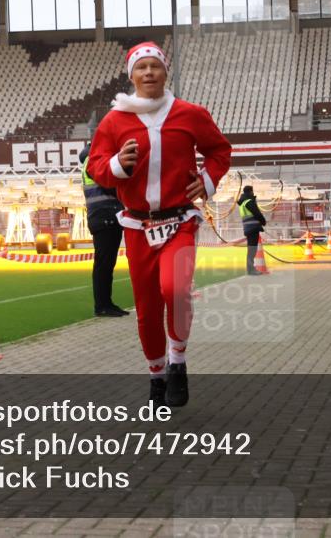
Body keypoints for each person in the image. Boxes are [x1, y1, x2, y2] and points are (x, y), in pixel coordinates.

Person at [87, 41, 232, 408]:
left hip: (179, 219)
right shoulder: (114, 120)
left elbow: (219, 150)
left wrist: (208, 179)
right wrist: (118, 164)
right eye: (141, 67)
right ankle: (156, 375)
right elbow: (96, 166)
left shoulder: (190, 113)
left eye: (155, 66)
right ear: (131, 75)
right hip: (138, 226)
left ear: (166, 72)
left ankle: (178, 361)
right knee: (147, 307)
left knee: (175, 288)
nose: (148, 72)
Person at [79, 144, 128, 318]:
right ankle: (102, 305)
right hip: (104, 216)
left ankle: (106, 303)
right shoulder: (93, 163)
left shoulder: (89, 162)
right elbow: (109, 185)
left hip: (103, 216)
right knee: (104, 264)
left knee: (106, 264)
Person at [237, 185, 267, 276]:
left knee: (251, 250)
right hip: (253, 228)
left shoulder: (242, 203)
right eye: (252, 191)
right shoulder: (249, 202)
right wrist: (263, 221)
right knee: (252, 250)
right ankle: (251, 269)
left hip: (248, 228)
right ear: (250, 192)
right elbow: (257, 213)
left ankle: (250, 269)